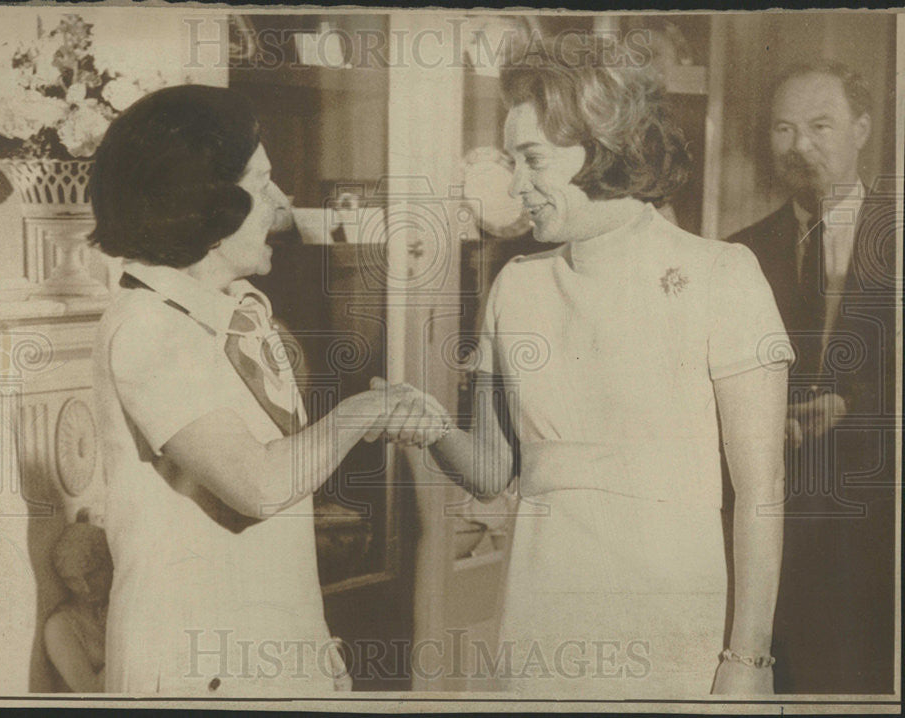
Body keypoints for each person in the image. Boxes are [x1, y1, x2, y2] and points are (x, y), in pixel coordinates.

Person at [395, 40, 794, 696]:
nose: (516, 184)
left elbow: (762, 489)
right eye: (510, 161)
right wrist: (431, 425)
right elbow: (493, 472)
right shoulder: (516, 287)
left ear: (606, 144)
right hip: (540, 622)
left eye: (532, 160)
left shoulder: (721, 276)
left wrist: (747, 661)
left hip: (673, 634)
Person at [89, 85, 438, 695]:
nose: (280, 200)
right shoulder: (147, 326)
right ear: (202, 203)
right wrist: (362, 411)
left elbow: (283, 504)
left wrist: (307, 635)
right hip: (196, 664)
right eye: (260, 181)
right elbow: (257, 483)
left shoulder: (239, 308)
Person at [728, 62, 896, 694]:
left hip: (881, 528)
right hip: (772, 531)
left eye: (819, 126)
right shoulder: (737, 254)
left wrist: (853, 406)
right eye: (783, 129)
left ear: (861, 128)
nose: (798, 146)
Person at [44, 515, 112, 693]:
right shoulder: (60, 626)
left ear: (108, 565)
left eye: (91, 574)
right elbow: (92, 694)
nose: (86, 588)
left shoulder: (118, 605)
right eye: (73, 580)